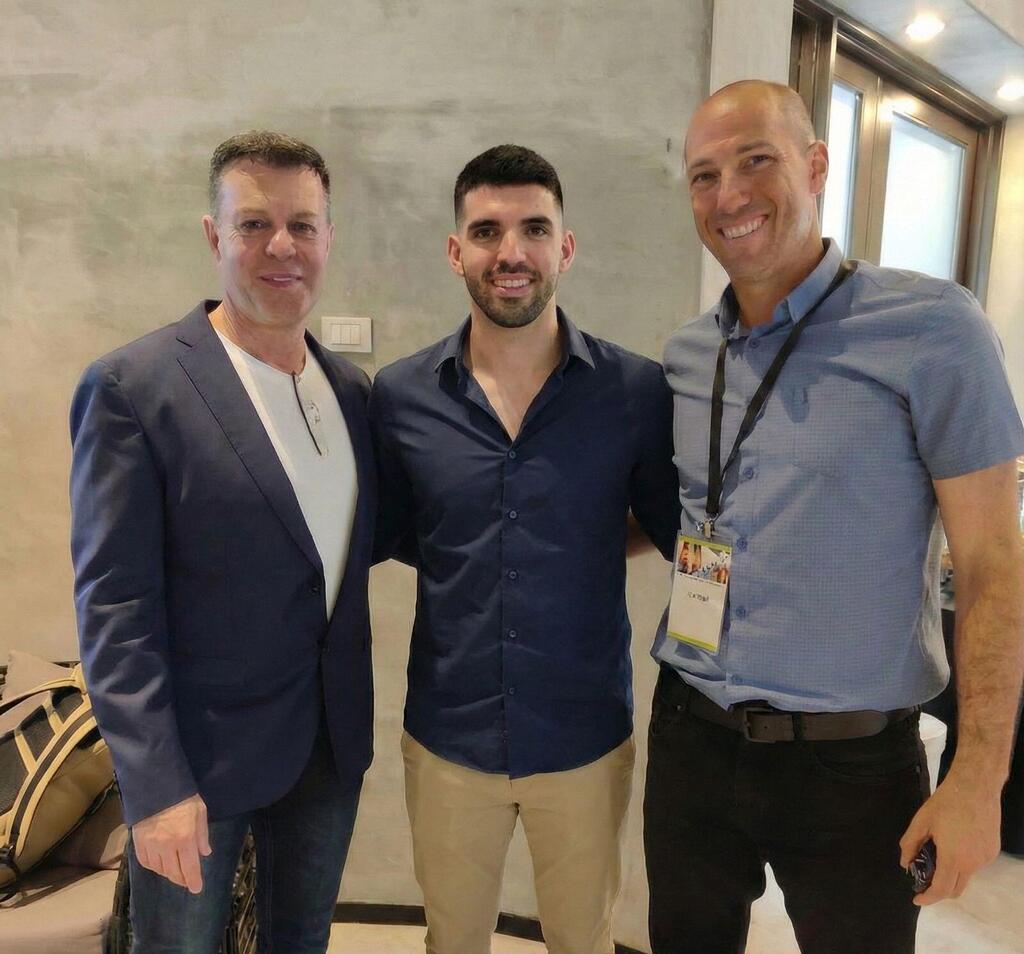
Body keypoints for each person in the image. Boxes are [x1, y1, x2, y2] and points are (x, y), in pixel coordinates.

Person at [645, 80, 1024, 954]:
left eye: (756, 160)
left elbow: (995, 563)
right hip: (692, 736)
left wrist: (979, 778)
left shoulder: (933, 330)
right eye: (704, 176)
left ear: (817, 165)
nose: (729, 195)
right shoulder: (687, 353)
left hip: (850, 767)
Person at [70, 131, 376, 953]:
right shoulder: (135, 388)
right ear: (214, 236)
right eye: (253, 224)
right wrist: (155, 784)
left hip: (327, 749)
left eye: (303, 225)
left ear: (328, 238)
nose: (282, 246)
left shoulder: (350, 392)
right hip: (197, 765)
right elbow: (114, 607)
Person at [370, 144, 680, 954]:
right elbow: (402, 529)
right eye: (487, 231)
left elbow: (666, 521)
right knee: (453, 940)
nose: (511, 253)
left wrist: (576, 546)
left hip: (583, 734)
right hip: (448, 737)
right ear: (455, 251)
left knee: (584, 938)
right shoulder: (400, 398)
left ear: (565, 248)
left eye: (534, 229)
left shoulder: (635, 393)